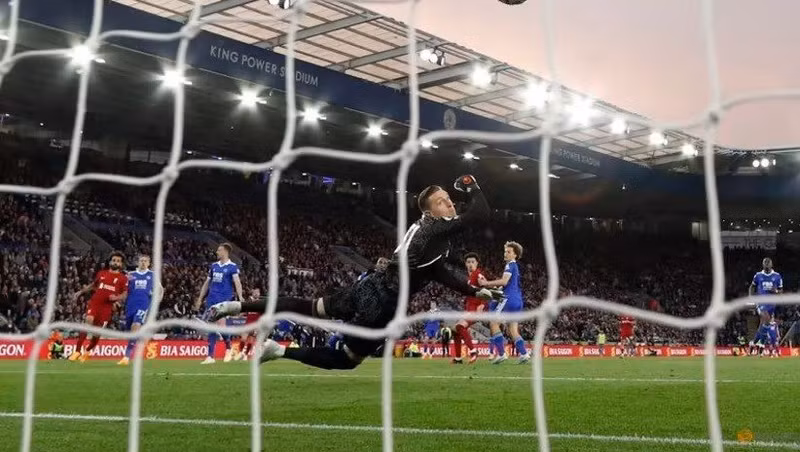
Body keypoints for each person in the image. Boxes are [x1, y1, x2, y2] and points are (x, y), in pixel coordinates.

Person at [208, 175, 504, 370]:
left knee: (311, 306)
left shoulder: (429, 233)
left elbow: (438, 272)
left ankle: (234, 306)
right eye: (442, 201)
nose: (450, 202)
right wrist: (472, 185)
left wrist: (473, 290)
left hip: (371, 287)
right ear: (429, 212)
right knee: (348, 360)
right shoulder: (436, 227)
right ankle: (278, 351)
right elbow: (481, 213)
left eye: (450, 198)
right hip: (384, 303)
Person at [69, 251, 128, 362]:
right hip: (95, 303)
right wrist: (80, 292)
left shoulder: (122, 278)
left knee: (96, 333)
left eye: (118, 261)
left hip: (106, 308)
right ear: (110, 262)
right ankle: (77, 351)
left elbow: (125, 294)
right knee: (88, 321)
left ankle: (87, 351)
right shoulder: (101, 273)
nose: (115, 262)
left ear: (121, 264)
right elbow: (93, 285)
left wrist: (116, 298)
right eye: (114, 260)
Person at [479, 241, 531, 364]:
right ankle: (524, 354)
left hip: (508, 299)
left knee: (493, 323)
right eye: (505, 251)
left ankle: (501, 354)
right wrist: (494, 288)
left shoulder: (509, 265)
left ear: (515, 255)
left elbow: (504, 282)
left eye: (509, 252)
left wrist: (486, 284)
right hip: (518, 300)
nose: (506, 254)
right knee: (512, 329)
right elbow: (506, 285)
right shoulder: (516, 267)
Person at [194, 243, 243, 364]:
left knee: (220, 325)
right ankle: (211, 356)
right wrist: (200, 298)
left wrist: (241, 297)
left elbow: (237, 282)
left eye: (219, 250)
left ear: (225, 252)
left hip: (224, 299)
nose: (217, 252)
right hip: (211, 298)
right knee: (212, 325)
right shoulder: (214, 266)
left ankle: (227, 347)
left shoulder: (232, 266)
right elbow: (207, 283)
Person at [118, 254, 163, 366]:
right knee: (130, 330)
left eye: (145, 261)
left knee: (136, 325)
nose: (143, 262)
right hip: (130, 305)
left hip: (143, 305)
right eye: (141, 260)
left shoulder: (152, 275)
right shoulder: (131, 275)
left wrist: (157, 302)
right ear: (138, 262)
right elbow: (124, 290)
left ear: (148, 263)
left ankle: (126, 356)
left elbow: (160, 290)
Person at [452, 252, 484, 364]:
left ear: (477, 263)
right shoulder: (469, 277)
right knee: (455, 330)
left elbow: (486, 289)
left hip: (476, 308)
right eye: (468, 262)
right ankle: (458, 358)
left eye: (473, 262)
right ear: (465, 264)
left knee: (460, 326)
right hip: (469, 308)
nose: (470, 264)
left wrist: (482, 304)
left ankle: (473, 351)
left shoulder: (478, 274)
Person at [748, 257, 782, 356]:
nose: (767, 264)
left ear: (771, 264)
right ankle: (761, 344)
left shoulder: (777, 276)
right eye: (765, 263)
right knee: (766, 319)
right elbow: (752, 286)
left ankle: (753, 343)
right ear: (763, 265)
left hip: (772, 304)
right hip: (761, 302)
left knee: (763, 325)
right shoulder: (758, 275)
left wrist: (775, 291)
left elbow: (780, 291)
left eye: (768, 262)